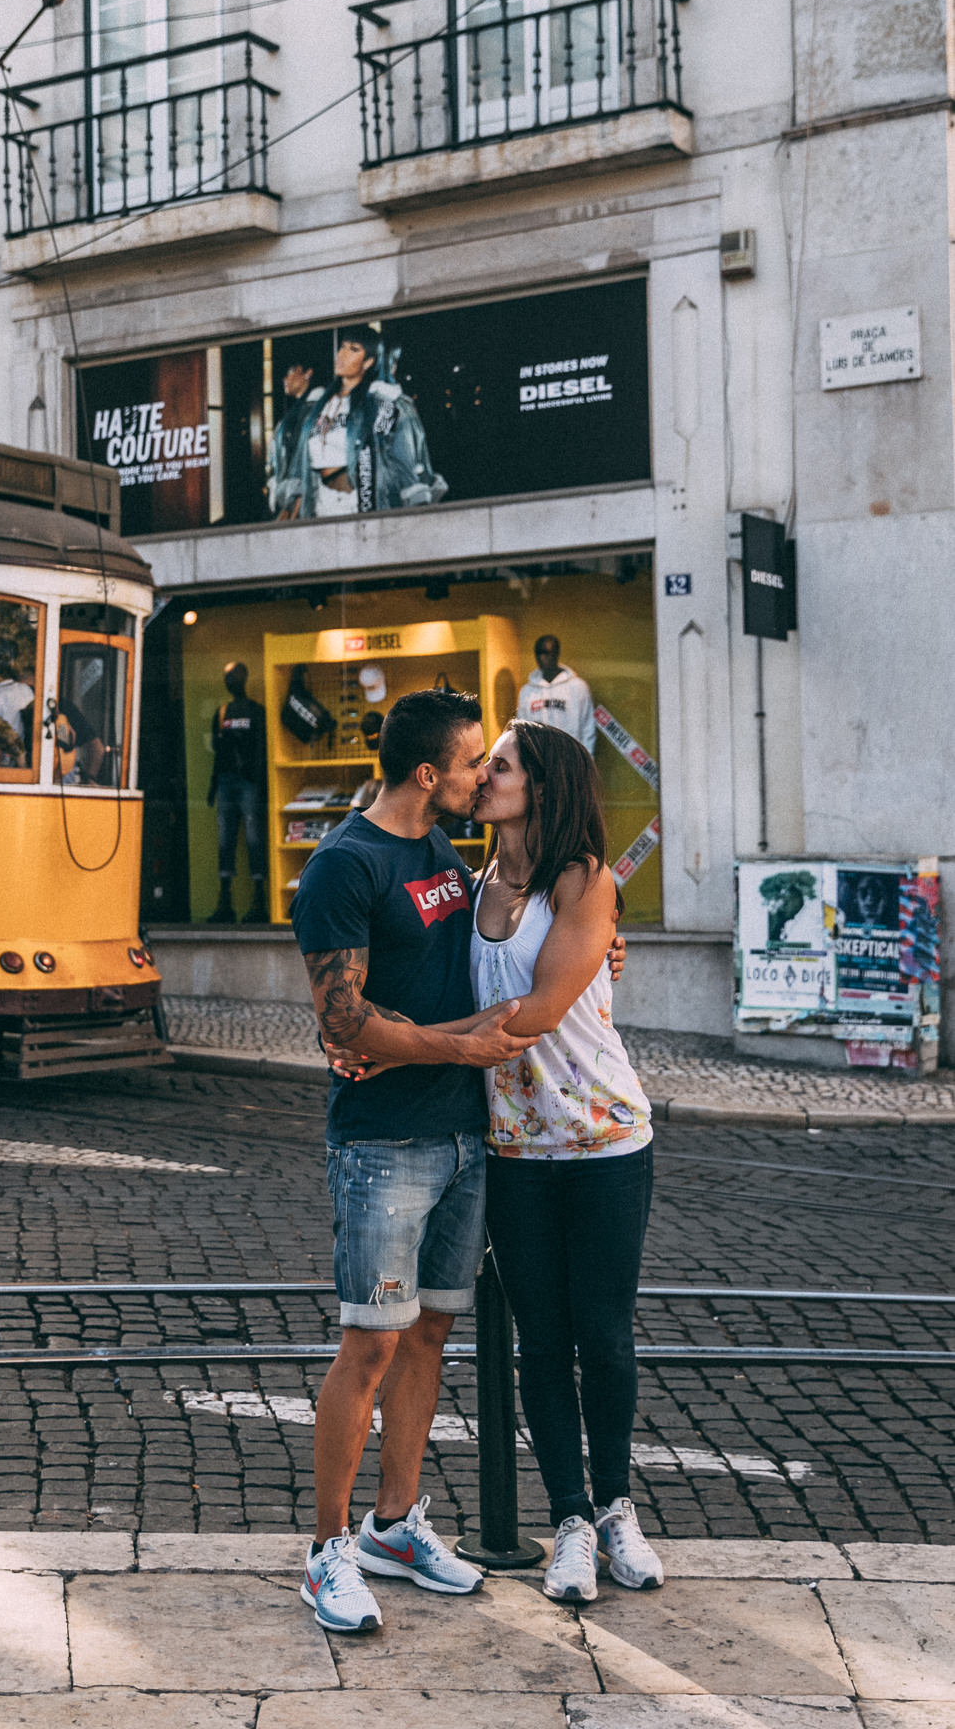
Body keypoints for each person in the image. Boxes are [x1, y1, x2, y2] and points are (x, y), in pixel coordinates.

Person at [292, 688, 548, 1634]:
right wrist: (457, 1045)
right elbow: (343, 1021)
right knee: (369, 1342)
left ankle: (392, 1526)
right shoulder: (342, 868)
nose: (486, 773)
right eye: (475, 760)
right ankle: (324, 1554)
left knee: (430, 1336)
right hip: (384, 1140)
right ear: (429, 773)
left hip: (461, 1136)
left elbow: (486, 944)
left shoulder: (439, 847)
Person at [470, 718, 661, 1605]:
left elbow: (542, 1009)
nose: (483, 776)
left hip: (602, 1144)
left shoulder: (583, 880)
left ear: (540, 786)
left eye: (498, 766)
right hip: (513, 1151)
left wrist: (405, 1044)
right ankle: (571, 1522)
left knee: (604, 1336)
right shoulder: (472, 885)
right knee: (539, 1342)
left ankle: (619, 1507)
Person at [287, 327, 447, 519]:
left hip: (360, 505)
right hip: (321, 505)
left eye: (353, 349)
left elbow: (397, 457)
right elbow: (303, 462)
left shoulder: (385, 404)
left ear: (368, 362)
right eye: (343, 347)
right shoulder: (320, 406)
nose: (343, 354)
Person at [207, 661, 268, 925]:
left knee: (254, 839)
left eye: (232, 676)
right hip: (226, 782)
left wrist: (260, 785)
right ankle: (225, 901)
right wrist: (213, 787)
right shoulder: (222, 713)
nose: (229, 681)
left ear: (243, 678)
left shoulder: (256, 711)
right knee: (225, 841)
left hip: (249, 784)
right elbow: (218, 753)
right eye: (226, 677)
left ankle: (259, 900)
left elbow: (260, 751)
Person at [516, 636, 596, 754]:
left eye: (547, 653)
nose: (542, 657)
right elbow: (522, 731)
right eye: (539, 653)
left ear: (556, 654)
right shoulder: (527, 692)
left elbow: (588, 729)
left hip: (571, 759)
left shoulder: (578, 687)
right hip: (540, 762)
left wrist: (586, 763)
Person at [268, 360, 324, 518]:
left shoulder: (316, 409)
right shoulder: (294, 412)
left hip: (304, 504)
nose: (286, 378)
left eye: (292, 370)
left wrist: (295, 508)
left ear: (308, 373)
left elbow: (309, 460)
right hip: (287, 500)